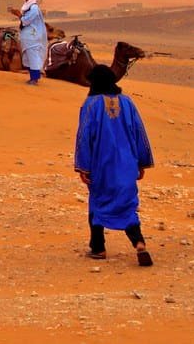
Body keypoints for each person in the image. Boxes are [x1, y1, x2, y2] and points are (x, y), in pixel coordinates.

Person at [74, 64, 155, 266]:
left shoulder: (91, 104)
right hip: (127, 163)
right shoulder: (128, 102)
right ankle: (139, 243)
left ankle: (98, 247)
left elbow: (84, 135)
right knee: (127, 204)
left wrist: (83, 166)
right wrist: (142, 162)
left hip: (101, 164)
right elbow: (139, 132)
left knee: (98, 201)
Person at [10, 0, 47, 85]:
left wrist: (18, 14)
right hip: (28, 38)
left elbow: (26, 21)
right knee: (28, 58)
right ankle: (32, 77)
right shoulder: (28, 8)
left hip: (33, 37)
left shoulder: (34, 8)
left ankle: (35, 79)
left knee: (33, 57)